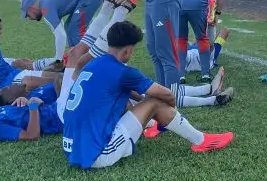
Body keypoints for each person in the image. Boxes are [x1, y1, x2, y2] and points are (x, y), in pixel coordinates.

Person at [62, 21, 234, 169]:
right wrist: (170, 107)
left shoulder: (95, 64)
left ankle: (155, 124)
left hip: (71, 148)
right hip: (97, 154)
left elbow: (128, 93)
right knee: (155, 103)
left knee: (127, 100)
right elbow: (165, 94)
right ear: (128, 51)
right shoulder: (124, 72)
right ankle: (200, 140)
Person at [21, 0, 111, 62]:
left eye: (28, 15)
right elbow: (63, 31)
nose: (30, 18)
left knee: (75, 29)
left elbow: (61, 35)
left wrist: (57, 60)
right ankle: (78, 58)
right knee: (69, 27)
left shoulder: (46, 10)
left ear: (31, 8)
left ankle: (90, 60)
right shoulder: (48, 4)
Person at [176, 0, 227, 83]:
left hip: (178, 5)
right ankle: (205, 74)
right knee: (202, 38)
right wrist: (217, 13)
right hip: (198, 5)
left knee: (181, 39)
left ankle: (180, 75)